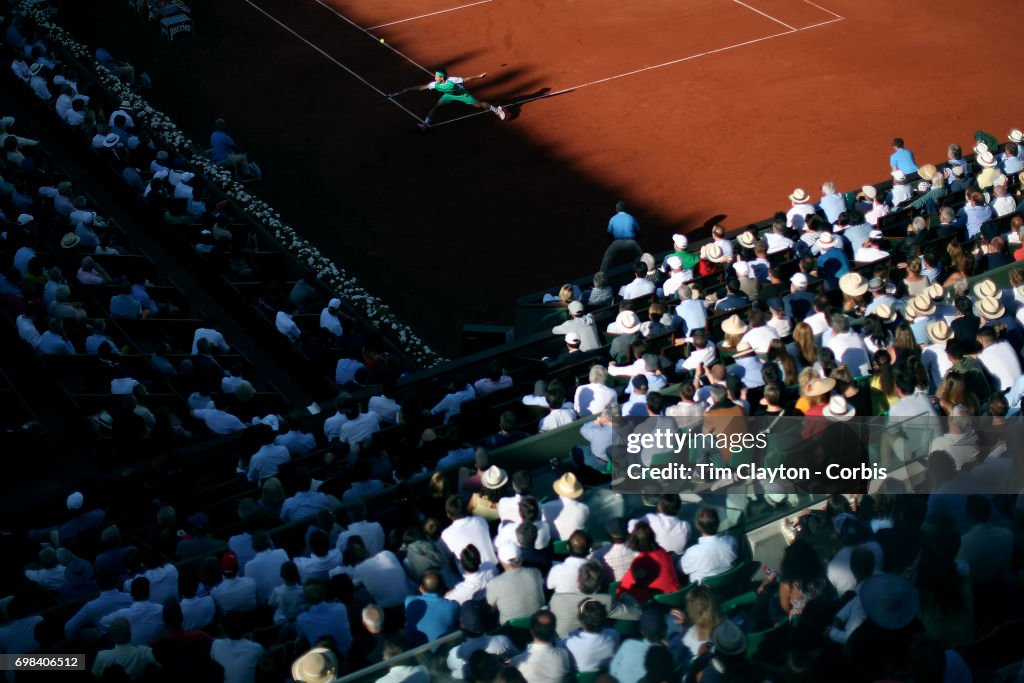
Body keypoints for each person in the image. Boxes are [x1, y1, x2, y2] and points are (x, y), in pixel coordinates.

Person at [394, 68, 505, 130]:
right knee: (436, 107)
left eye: (436, 76)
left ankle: (496, 110)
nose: (435, 77)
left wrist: (479, 76)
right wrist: (408, 89)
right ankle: (425, 124)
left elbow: (466, 80)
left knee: (478, 105)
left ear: (442, 77)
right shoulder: (435, 84)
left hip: (461, 94)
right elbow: (421, 88)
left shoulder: (452, 80)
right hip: (448, 95)